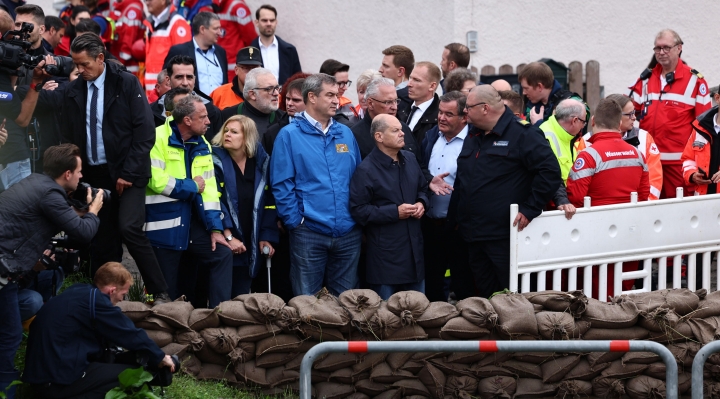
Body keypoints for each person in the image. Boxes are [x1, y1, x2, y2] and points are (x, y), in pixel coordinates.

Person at [59, 34, 170, 303]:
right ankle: (105, 298)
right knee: (102, 237)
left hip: (129, 171)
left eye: (84, 64)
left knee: (129, 228)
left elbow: (144, 132)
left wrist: (127, 174)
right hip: (95, 175)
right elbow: (69, 135)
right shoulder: (74, 91)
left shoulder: (126, 83)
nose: (80, 70)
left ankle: (160, 291)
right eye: (76, 64)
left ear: (100, 58)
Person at [0, 144, 103, 398]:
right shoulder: (50, 194)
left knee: (13, 326)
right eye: (79, 172)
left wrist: (77, 212)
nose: (81, 177)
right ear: (67, 173)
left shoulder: (36, 182)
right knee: (10, 335)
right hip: (2, 267)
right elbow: (83, 233)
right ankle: (6, 390)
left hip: (6, 269)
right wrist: (93, 212)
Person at [452, 85, 561, 298]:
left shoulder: (523, 134)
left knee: (510, 297)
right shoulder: (474, 134)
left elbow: (550, 173)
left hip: (505, 236)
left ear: (485, 108)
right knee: (485, 296)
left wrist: (530, 208)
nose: (464, 112)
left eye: (468, 107)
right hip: (472, 234)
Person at [24, 262, 176, 399]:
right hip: (56, 383)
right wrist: (160, 356)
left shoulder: (79, 292)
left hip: (40, 376)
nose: (122, 300)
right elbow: (129, 333)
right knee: (133, 377)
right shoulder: (98, 302)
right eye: (123, 294)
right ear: (112, 290)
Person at [271, 73, 362, 296]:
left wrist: (356, 218)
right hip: (308, 232)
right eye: (330, 95)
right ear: (312, 97)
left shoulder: (345, 133)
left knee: (346, 303)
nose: (336, 100)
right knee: (307, 303)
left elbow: (358, 177)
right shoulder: (289, 135)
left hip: (348, 232)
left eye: (337, 95)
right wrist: (296, 222)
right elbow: (282, 184)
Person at [146, 94, 232, 307]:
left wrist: (215, 229)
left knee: (222, 254)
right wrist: (191, 186)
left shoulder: (202, 143)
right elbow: (155, 180)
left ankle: (221, 315)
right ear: (187, 120)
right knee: (168, 292)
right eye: (203, 117)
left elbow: (210, 190)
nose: (209, 121)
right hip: (163, 227)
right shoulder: (156, 137)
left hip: (193, 224)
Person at [567, 98, 649, 298]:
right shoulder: (637, 154)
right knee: (622, 292)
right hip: (629, 233)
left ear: (592, 121)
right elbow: (644, 195)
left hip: (595, 235)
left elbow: (575, 197)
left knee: (598, 294)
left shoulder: (588, 155)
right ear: (619, 124)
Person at [350, 114, 428, 300]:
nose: (402, 134)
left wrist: (422, 202)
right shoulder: (366, 170)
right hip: (385, 259)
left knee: (417, 313)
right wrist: (395, 212)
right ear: (379, 137)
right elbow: (358, 210)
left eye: (401, 129)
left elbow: (423, 188)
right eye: (395, 131)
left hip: (414, 254)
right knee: (385, 318)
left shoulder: (409, 159)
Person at [629, 29, 710, 198]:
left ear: (679, 48)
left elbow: (705, 126)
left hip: (677, 163)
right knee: (648, 210)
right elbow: (628, 112)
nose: (661, 52)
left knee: (678, 212)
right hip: (648, 161)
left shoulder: (695, 80)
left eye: (666, 47)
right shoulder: (645, 79)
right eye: (657, 48)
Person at [210, 115, 279, 296]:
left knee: (242, 295)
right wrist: (229, 235)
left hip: (251, 239)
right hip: (224, 239)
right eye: (226, 130)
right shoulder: (213, 161)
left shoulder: (261, 163)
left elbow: (269, 203)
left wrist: (266, 235)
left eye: (234, 132)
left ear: (247, 137)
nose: (227, 135)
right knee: (222, 296)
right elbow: (215, 201)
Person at [419, 91, 474, 301]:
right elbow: (420, 167)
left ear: (464, 117)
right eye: (440, 112)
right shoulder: (431, 135)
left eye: (448, 114)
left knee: (463, 283)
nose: (441, 118)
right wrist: (429, 179)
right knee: (433, 282)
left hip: (459, 228)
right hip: (431, 224)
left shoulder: (473, 140)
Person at [597, 94, 663, 201]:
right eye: (630, 114)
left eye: (634, 112)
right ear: (616, 116)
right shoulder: (587, 140)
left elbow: (654, 179)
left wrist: (646, 205)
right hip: (603, 209)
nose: (634, 117)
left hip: (638, 208)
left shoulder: (644, 138)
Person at [149, 55, 223, 139]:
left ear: (194, 79)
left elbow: (217, 147)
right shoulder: (151, 112)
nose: (185, 83)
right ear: (168, 80)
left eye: (189, 77)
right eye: (179, 77)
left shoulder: (213, 112)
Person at [350, 77, 420, 160]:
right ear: (370, 103)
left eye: (396, 101)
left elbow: (420, 165)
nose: (395, 107)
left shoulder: (404, 128)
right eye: (388, 102)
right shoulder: (354, 136)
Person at [539, 98, 587, 218]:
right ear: (574, 120)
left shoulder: (567, 135)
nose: (583, 126)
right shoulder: (544, 136)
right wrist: (562, 200)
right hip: (553, 208)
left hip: (564, 205)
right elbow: (549, 174)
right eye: (583, 122)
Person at [163, 12, 228, 95]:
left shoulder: (221, 52)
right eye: (216, 28)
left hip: (219, 107)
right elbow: (165, 81)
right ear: (202, 29)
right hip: (190, 106)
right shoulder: (179, 51)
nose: (219, 32)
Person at [143, 0, 191, 97]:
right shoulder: (151, 24)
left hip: (168, 95)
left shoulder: (177, 23)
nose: (147, 2)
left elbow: (183, 63)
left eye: (150, 0)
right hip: (154, 94)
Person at [220, 67, 285, 136]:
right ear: (252, 94)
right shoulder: (227, 116)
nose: (276, 93)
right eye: (269, 89)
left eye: (277, 88)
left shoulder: (284, 119)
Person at [519, 61, 585, 127]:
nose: (523, 93)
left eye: (526, 88)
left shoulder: (570, 103)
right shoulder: (531, 103)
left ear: (540, 87)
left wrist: (538, 124)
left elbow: (565, 136)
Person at [251, 4, 301, 85]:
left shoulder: (290, 50)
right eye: (264, 20)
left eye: (272, 20)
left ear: (276, 22)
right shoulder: (250, 51)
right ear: (256, 22)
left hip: (284, 96)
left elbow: (298, 80)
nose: (269, 23)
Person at [682, 88, 720, 196]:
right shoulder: (700, 127)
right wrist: (692, 174)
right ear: (717, 98)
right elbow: (687, 159)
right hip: (702, 201)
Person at [397, 61, 441, 145]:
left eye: (416, 80)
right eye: (410, 78)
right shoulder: (401, 108)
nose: (409, 84)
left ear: (432, 86)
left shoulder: (439, 117)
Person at [213, 0, 257, 81]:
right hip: (216, 68)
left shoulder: (237, 7)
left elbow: (250, 38)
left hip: (233, 69)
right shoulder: (208, 5)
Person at [263, 76, 304, 155]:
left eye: (296, 100)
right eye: (288, 99)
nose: (289, 104)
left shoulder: (323, 128)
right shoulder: (273, 132)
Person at [319, 58, 358, 125]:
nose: (345, 88)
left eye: (346, 83)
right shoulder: (315, 107)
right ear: (325, 81)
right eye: (341, 83)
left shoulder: (349, 106)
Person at [113, 0, 145, 77]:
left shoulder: (132, 10)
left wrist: (117, 67)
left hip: (128, 67)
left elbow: (127, 43)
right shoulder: (125, 8)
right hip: (123, 67)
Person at [379, 44, 414, 111]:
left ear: (400, 71)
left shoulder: (401, 101)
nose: (380, 70)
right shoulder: (413, 98)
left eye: (386, 66)